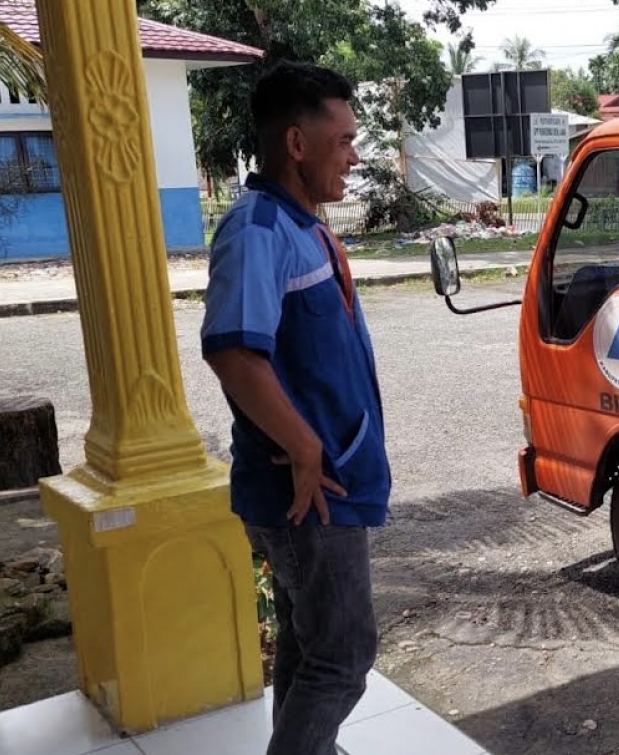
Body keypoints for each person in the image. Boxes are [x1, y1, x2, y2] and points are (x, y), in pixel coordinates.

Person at [200, 61, 390, 755]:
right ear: (297, 144)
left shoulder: (300, 224)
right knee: (343, 654)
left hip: (323, 482)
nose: (354, 153)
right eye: (342, 140)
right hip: (310, 491)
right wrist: (308, 448)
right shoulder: (257, 231)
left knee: (309, 641)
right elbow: (233, 353)